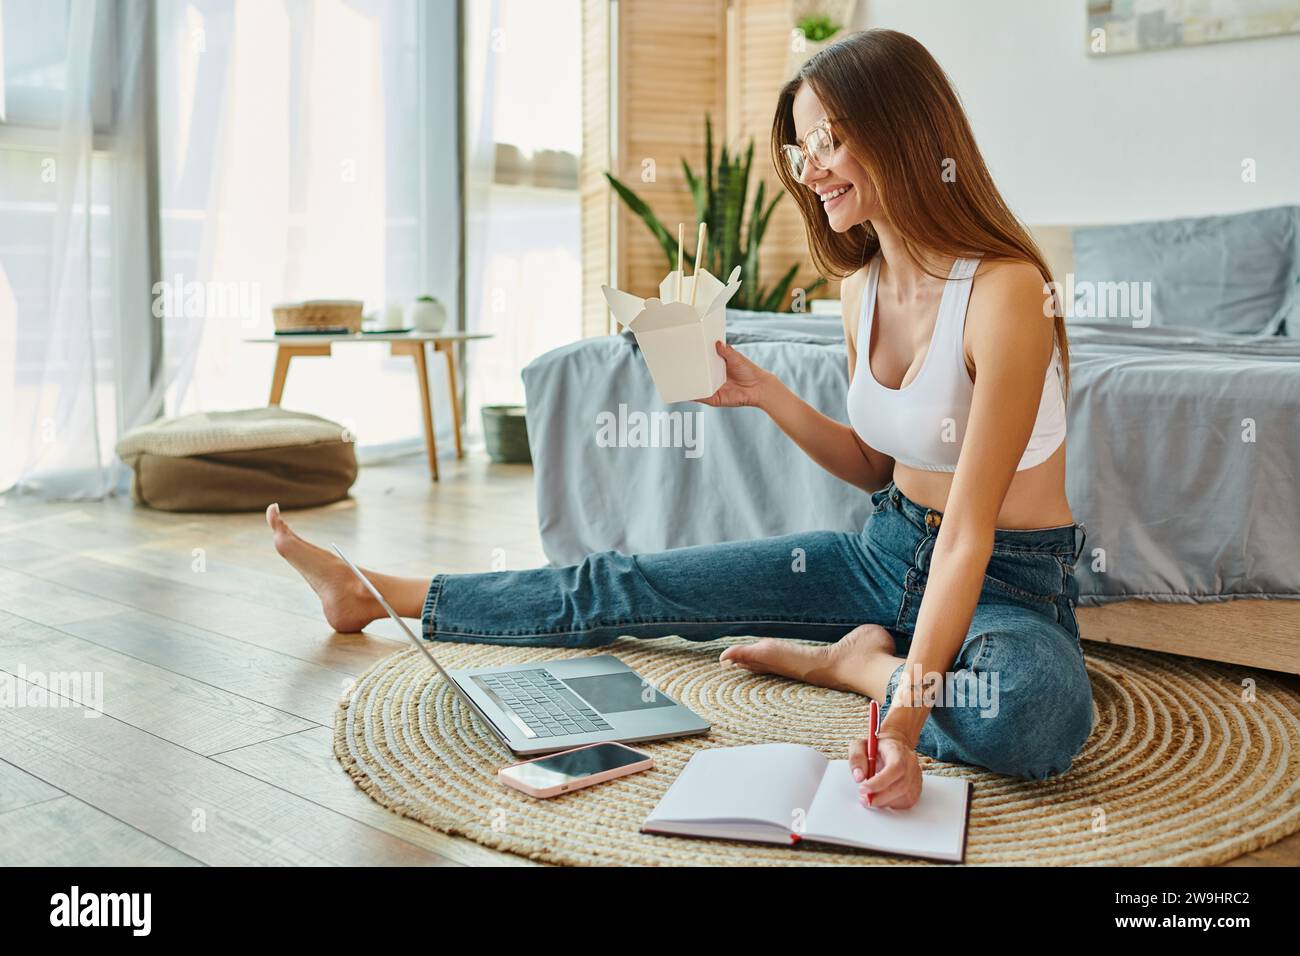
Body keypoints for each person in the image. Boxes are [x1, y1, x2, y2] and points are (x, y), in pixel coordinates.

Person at [268, 29, 1094, 810]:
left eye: (832, 142)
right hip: (883, 553)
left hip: (1007, 585)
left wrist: (899, 721)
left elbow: (967, 535)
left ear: (907, 132)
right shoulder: (859, 289)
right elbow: (877, 468)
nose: (812, 169)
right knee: (632, 582)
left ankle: (856, 668)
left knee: (1032, 712)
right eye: (804, 151)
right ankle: (373, 593)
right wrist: (764, 391)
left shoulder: (1007, 290)